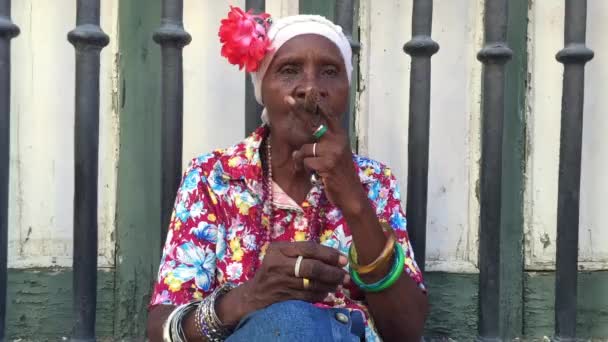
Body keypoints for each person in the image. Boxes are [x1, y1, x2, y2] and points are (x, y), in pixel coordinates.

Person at [147, 7, 428, 342]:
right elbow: (161, 332)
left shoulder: (372, 181)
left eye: (329, 72)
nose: (310, 89)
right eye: (289, 70)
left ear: (345, 92)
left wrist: (354, 202)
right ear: (262, 89)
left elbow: (407, 332)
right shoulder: (214, 177)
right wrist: (251, 298)